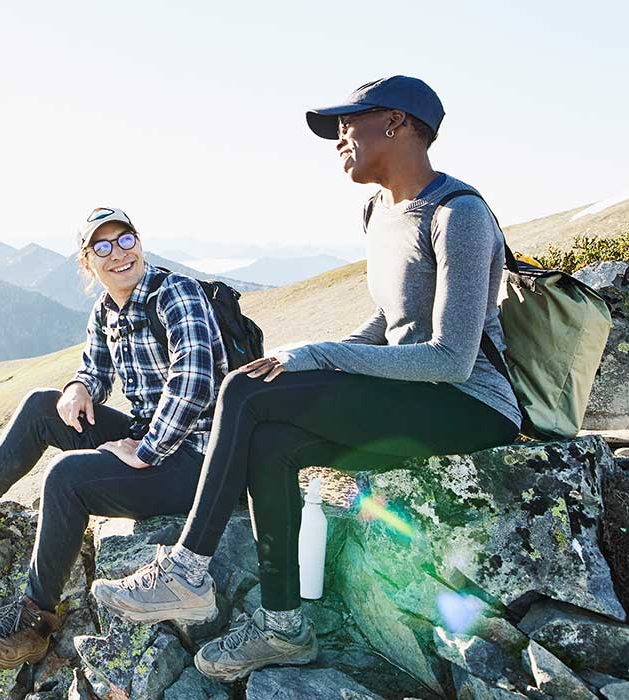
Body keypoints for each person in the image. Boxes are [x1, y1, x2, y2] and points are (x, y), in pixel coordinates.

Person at [90, 76, 523, 682]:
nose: (339, 138)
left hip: (467, 402)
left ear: (396, 124)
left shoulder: (460, 213)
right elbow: (388, 321)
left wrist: (319, 356)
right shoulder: (377, 210)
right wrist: (298, 354)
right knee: (268, 436)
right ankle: (284, 627)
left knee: (241, 392)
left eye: (350, 123)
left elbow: (450, 357)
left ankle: (186, 570)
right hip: (405, 394)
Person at [0, 207, 228, 668]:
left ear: (140, 243)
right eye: (102, 247)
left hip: (199, 460)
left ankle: (34, 623)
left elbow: (195, 381)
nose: (118, 254)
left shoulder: (176, 294)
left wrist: (146, 451)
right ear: (86, 263)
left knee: (66, 478)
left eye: (125, 239)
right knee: (41, 405)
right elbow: (94, 371)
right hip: (150, 437)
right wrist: (78, 388)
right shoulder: (106, 310)